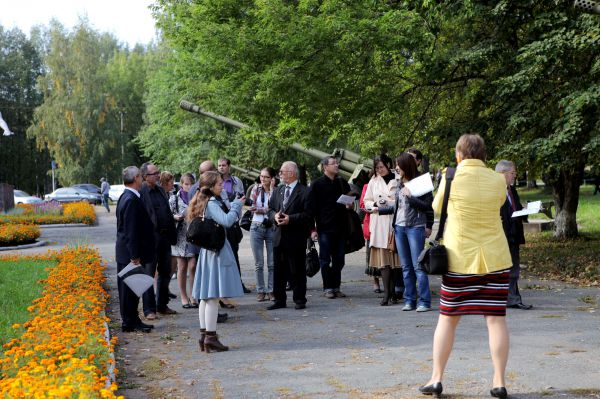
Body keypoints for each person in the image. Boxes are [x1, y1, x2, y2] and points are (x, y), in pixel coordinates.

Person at [419, 134, 512, 399]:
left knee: (447, 320)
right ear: (484, 155)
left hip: (459, 260)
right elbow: (499, 203)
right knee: (496, 320)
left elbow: (438, 208)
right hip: (495, 259)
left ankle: (436, 379)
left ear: (459, 155)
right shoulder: (498, 180)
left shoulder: (451, 179)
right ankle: (499, 381)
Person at [189, 171, 245, 352]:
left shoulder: (202, 201)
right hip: (215, 252)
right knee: (212, 296)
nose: (223, 187)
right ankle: (211, 337)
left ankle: (204, 335)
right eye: (220, 184)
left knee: (205, 296)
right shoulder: (212, 203)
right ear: (211, 187)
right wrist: (237, 206)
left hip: (207, 252)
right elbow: (227, 221)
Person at [267, 161, 313, 310]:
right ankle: (279, 299)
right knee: (278, 269)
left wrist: (290, 219)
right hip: (278, 236)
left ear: (292, 173)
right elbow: (270, 210)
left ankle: (299, 299)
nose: (279, 174)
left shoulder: (305, 191)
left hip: (296, 237)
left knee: (297, 269)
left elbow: (309, 215)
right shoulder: (278, 190)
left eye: (282, 172)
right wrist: (274, 216)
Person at [115, 166, 155, 333]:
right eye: (141, 176)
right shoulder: (130, 199)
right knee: (129, 290)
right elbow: (131, 230)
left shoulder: (126, 196)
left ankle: (132, 319)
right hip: (129, 253)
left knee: (132, 289)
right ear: (137, 178)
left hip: (127, 251)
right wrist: (134, 255)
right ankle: (129, 322)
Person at [394, 153, 434, 312]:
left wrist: (410, 196)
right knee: (405, 267)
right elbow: (399, 208)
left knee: (418, 266)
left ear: (406, 165)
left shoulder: (421, 183)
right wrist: (379, 209)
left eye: (398, 165)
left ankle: (424, 301)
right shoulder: (399, 183)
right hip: (399, 227)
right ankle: (409, 300)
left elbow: (427, 206)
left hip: (415, 227)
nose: (396, 168)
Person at [309, 156, 352, 299]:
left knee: (339, 259)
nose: (337, 165)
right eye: (333, 163)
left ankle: (336, 286)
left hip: (341, 227)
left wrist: (349, 204)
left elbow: (350, 197)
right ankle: (328, 287)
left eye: (337, 163)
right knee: (325, 260)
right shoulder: (316, 185)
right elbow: (311, 209)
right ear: (325, 167)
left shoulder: (341, 182)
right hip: (324, 227)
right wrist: (312, 229)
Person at [139, 163, 178, 320]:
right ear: (145, 176)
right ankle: (149, 309)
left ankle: (161, 304)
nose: (157, 175)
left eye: (158, 172)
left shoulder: (161, 190)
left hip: (164, 237)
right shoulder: (141, 191)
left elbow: (166, 213)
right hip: (150, 239)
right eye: (154, 173)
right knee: (148, 274)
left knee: (165, 271)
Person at [363, 155, 400, 306]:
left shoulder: (398, 179)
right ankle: (387, 293)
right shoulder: (374, 180)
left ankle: (394, 292)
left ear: (388, 164)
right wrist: (375, 206)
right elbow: (367, 200)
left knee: (396, 260)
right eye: (377, 168)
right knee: (384, 261)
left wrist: (390, 202)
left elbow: (402, 199)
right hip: (379, 221)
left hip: (394, 220)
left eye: (382, 167)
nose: (380, 170)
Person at [495, 160, 532, 310]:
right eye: (512, 173)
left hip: (514, 235)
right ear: (502, 174)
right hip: (501, 235)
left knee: (514, 268)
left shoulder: (512, 190)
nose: (515, 176)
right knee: (502, 269)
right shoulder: (494, 191)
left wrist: (528, 210)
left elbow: (516, 209)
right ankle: (505, 299)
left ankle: (513, 299)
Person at [217, 157, 251, 294]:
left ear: (229, 166)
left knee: (234, 254)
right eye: (219, 165)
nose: (221, 168)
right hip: (220, 219)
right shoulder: (215, 180)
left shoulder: (237, 181)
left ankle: (238, 283)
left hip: (232, 221)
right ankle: (224, 286)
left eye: (224, 165)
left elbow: (241, 198)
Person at [169, 173, 198, 308]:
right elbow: (168, 216)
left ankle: (193, 295)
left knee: (193, 265)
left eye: (191, 184)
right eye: (186, 184)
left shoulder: (197, 197)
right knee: (182, 267)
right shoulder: (174, 199)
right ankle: (183, 296)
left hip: (193, 236)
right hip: (180, 236)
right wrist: (175, 217)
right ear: (181, 184)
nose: (188, 186)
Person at [249, 167, 277, 302]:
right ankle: (261, 291)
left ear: (272, 178)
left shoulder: (276, 190)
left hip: (271, 228)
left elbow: (275, 207)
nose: (263, 179)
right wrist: (266, 210)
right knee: (258, 263)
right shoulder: (255, 189)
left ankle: (271, 290)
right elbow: (252, 207)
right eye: (261, 176)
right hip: (257, 227)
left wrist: (271, 189)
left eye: (266, 177)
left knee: (272, 263)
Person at [359, 176, 381, 294]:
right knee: (372, 254)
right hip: (372, 224)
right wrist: (373, 206)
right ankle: (375, 281)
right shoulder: (367, 186)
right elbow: (363, 204)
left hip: (386, 225)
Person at [160, 171, 178, 299]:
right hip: (162, 236)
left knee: (170, 265)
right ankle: (161, 291)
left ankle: (165, 289)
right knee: (162, 268)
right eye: (171, 181)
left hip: (169, 235)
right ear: (166, 182)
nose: (173, 184)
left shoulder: (168, 194)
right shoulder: (162, 194)